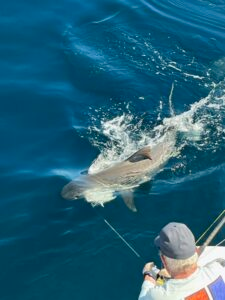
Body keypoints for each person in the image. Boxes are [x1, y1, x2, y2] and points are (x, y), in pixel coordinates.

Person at [138, 222, 225, 300]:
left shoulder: (156, 296)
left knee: (160, 278)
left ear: (163, 260)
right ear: (196, 250)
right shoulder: (218, 268)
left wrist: (148, 276)